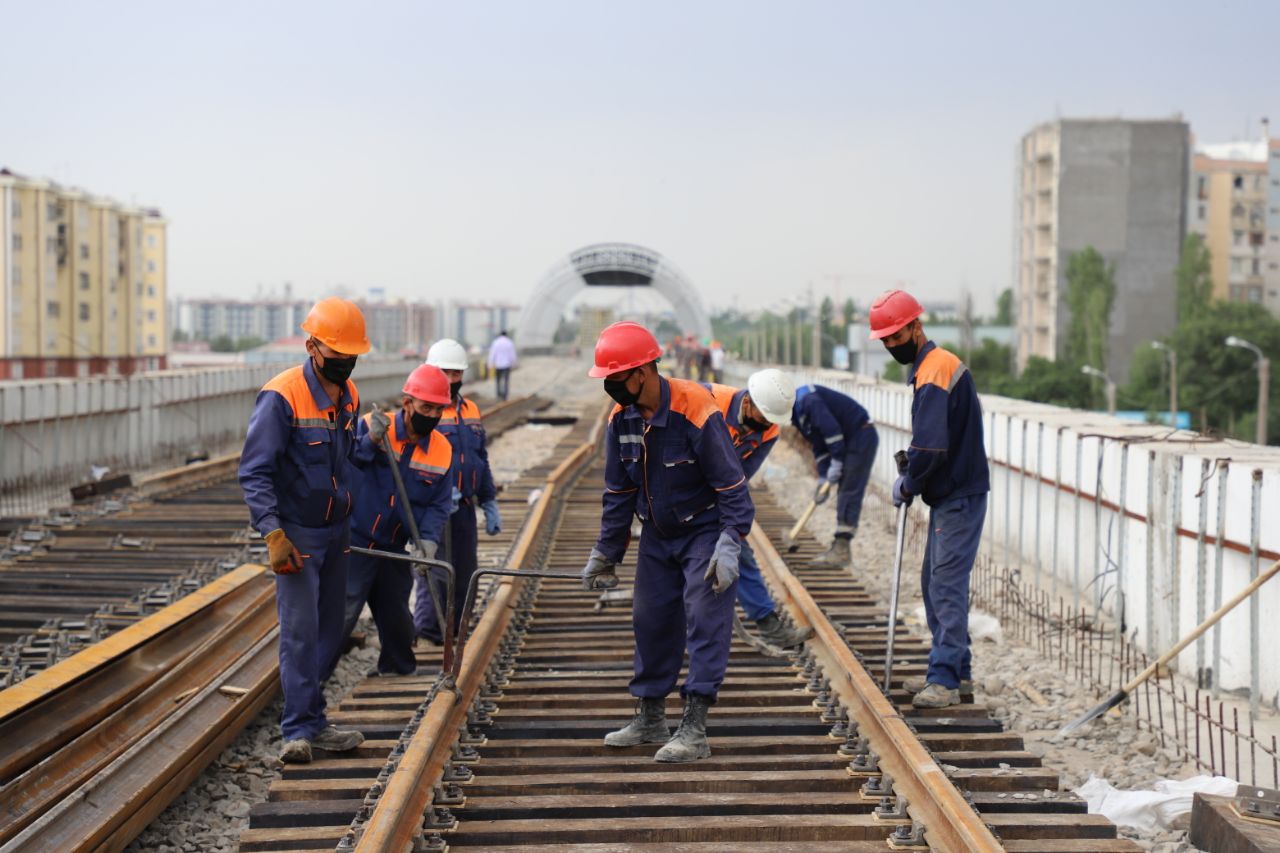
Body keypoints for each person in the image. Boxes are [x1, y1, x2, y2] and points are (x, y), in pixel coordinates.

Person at [582, 321, 755, 763]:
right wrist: (607, 552)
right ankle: (651, 717)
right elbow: (618, 492)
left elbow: (732, 485)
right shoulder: (621, 419)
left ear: (641, 372)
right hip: (658, 533)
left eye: (614, 378)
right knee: (650, 618)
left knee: (703, 616)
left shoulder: (695, 409)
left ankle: (694, 728)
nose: (609, 387)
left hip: (704, 531)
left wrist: (731, 540)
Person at [238, 297, 370, 764]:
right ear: (313, 346)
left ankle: (315, 720)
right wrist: (273, 533)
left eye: (352, 355)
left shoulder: (348, 393)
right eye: (338, 354)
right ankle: (296, 729)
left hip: (338, 530)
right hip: (298, 534)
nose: (346, 363)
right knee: (300, 631)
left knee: (330, 630)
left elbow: (349, 457)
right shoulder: (282, 396)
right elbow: (254, 471)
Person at [870, 289, 989, 709]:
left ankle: (943, 679)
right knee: (934, 581)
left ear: (916, 327)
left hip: (959, 493)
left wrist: (908, 483)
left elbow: (932, 447)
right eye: (884, 339)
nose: (890, 344)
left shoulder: (935, 371)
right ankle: (960, 673)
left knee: (945, 586)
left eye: (894, 336)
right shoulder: (929, 369)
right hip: (952, 494)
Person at [332, 364, 454, 679]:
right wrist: (370, 441)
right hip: (357, 544)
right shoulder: (371, 429)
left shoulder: (441, 450)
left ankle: (398, 668)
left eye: (438, 409)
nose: (432, 415)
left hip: (395, 546)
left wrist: (428, 541)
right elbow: (343, 469)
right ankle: (313, 684)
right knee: (341, 617)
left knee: (397, 615)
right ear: (407, 403)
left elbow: (439, 504)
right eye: (426, 407)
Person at [703, 373, 809, 648]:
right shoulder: (709, 399)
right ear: (748, 401)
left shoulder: (770, 429)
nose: (765, 425)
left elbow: (741, 476)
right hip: (678, 486)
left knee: (739, 553)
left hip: (716, 492)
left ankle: (768, 624)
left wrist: (731, 523)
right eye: (763, 417)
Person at [414, 338, 502, 645]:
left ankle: (456, 630)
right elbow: (413, 459)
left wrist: (488, 499)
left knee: (466, 572)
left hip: (464, 506)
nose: (451, 380)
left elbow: (480, 457)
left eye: (456, 373)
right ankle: (429, 632)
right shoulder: (425, 410)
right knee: (435, 573)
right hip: (433, 508)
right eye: (445, 372)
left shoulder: (471, 410)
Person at [790, 380, 879, 569]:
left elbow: (832, 432)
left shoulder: (808, 400)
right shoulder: (796, 415)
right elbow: (818, 444)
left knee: (848, 489)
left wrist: (837, 461)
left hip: (862, 434)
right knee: (845, 489)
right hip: (850, 438)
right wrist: (824, 476)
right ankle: (840, 547)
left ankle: (841, 550)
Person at [487, 329, 517, 401]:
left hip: (498, 365)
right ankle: (505, 396)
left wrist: (490, 364)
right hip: (506, 365)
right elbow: (512, 355)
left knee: (498, 381)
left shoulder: (496, 342)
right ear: (506, 335)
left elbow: (492, 354)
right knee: (506, 381)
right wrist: (514, 363)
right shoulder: (509, 342)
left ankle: (498, 394)